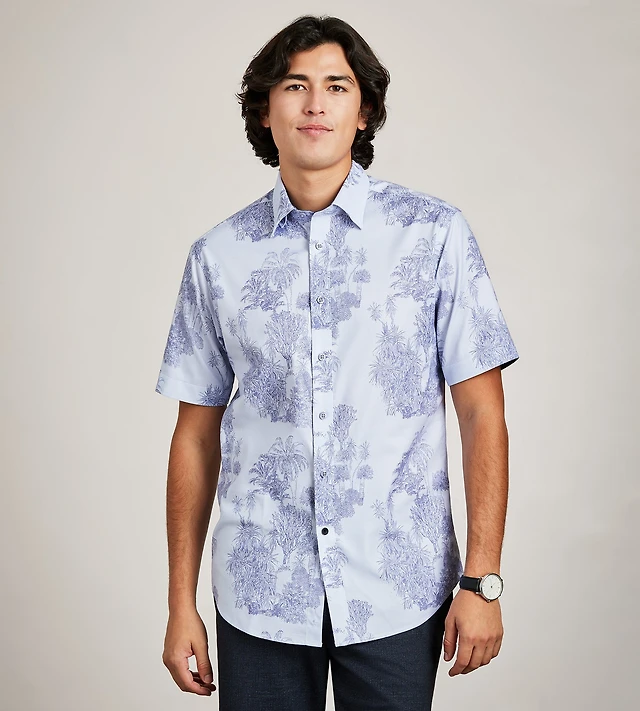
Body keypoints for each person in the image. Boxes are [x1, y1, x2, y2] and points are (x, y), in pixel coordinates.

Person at [156, 14, 519, 711]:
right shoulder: (218, 257)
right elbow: (194, 435)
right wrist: (180, 602)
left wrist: (483, 579)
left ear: (364, 111)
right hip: (260, 593)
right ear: (265, 112)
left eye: (336, 86)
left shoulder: (433, 235)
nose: (315, 104)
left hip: (398, 589)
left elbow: (482, 412)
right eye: (295, 86)